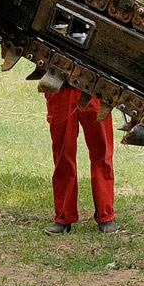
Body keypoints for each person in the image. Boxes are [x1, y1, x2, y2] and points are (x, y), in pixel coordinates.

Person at [44, 86, 116, 235]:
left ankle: (105, 216)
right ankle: (63, 217)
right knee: (63, 155)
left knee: (102, 153)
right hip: (61, 87)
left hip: (96, 87)